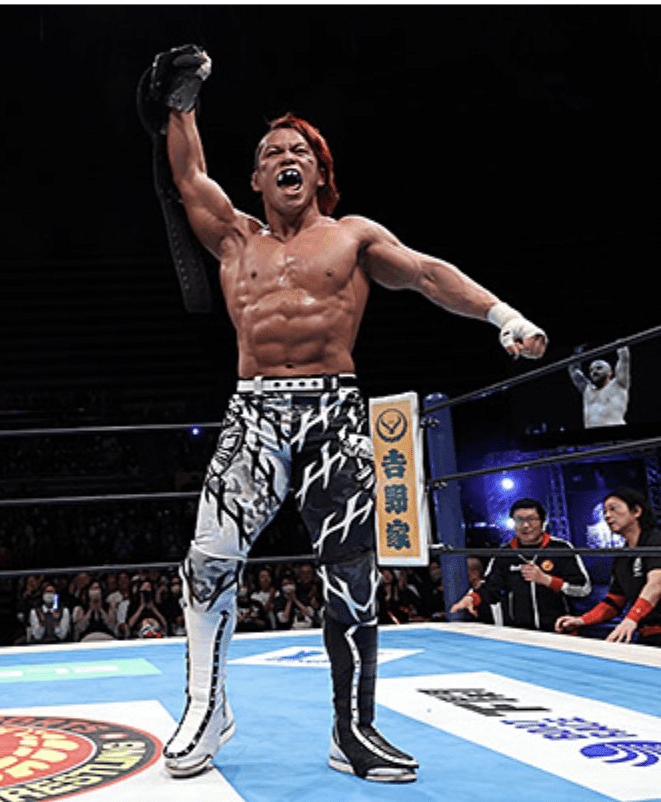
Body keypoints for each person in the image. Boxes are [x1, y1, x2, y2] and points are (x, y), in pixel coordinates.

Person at [142, 45, 548, 783]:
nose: (285, 158)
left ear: (320, 172)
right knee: (207, 561)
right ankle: (205, 707)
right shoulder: (234, 237)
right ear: (256, 178)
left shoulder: (353, 236)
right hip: (255, 411)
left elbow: (426, 275)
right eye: (271, 153)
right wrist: (182, 99)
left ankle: (352, 728)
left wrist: (503, 315)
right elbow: (188, 174)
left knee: (353, 575)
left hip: (332, 411)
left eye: (299, 151)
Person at [450, 498, 591, 631]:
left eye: (531, 519)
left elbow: (583, 589)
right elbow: (490, 589)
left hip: (559, 631)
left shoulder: (561, 549)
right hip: (520, 634)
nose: (525, 525)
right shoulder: (504, 554)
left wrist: (547, 580)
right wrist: (472, 598)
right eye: (519, 520)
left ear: (543, 522)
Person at [556, 487, 661, 646]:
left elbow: (657, 583)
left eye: (613, 509)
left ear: (636, 511)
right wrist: (581, 620)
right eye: (605, 511)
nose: (607, 516)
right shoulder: (622, 557)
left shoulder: (656, 541)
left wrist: (631, 619)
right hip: (648, 636)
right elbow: (614, 602)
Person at [569, 347, 629, 428]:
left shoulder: (618, 384)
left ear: (610, 372)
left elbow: (624, 358)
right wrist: (577, 352)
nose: (594, 372)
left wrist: (620, 344)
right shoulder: (587, 390)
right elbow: (573, 370)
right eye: (591, 370)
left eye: (599, 368)